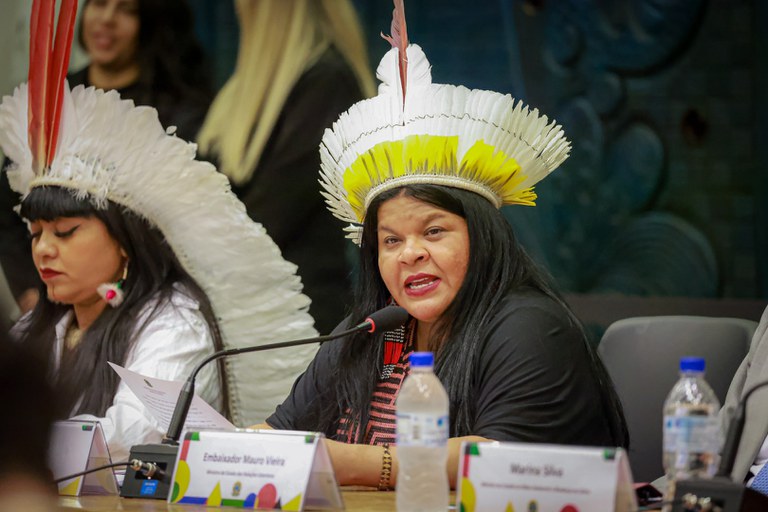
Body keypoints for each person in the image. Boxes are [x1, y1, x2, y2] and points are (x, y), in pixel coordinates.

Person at [263, 2, 629, 489]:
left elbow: (503, 457)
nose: (409, 252)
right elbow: (281, 436)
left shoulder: (527, 327)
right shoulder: (369, 331)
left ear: (482, 237)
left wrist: (359, 464)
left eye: (433, 232)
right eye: (390, 240)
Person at [0, 0, 316, 462]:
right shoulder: (42, 325)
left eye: (65, 232)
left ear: (126, 243)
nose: (44, 249)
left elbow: (127, 436)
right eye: (35, 233)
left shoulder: (173, 320)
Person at [0, 0, 214, 316]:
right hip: (53, 300)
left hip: (142, 302)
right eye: (99, 3)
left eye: (126, 9)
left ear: (151, 23)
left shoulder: (178, 113)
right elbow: (7, 207)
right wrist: (33, 292)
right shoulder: (53, 99)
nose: (107, 20)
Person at [196, 0, 376, 334]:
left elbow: (270, 216)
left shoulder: (327, 82)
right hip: (254, 309)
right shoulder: (251, 88)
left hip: (295, 322)